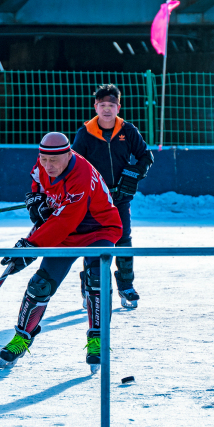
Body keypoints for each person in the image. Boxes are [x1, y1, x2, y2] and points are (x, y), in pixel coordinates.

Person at [0, 132, 123, 372]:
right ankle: (22, 337)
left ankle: (98, 339)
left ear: (68, 154)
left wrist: (31, 246)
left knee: (97, 278)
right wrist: (36, 200)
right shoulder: (44, 162)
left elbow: (65, 221)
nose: (48, 165)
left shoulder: (82, 177)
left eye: (54, 161)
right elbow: (38, 180)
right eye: (44, 159)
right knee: (40, 284)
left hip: (98, 229)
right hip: (66, 231)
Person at [72, 84, 154, 309]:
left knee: (124, 239)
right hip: (94, 201)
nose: (106, 109)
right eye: (102, 105)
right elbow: (75, 164)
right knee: (93, 240)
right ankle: (90, 283)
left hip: (121, 198)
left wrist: (134, 174)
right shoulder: (85, 134)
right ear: (95, 106)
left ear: (119, 107)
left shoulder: (128, 131)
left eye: (111, 105)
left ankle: (126, 285)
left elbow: (145, 156)